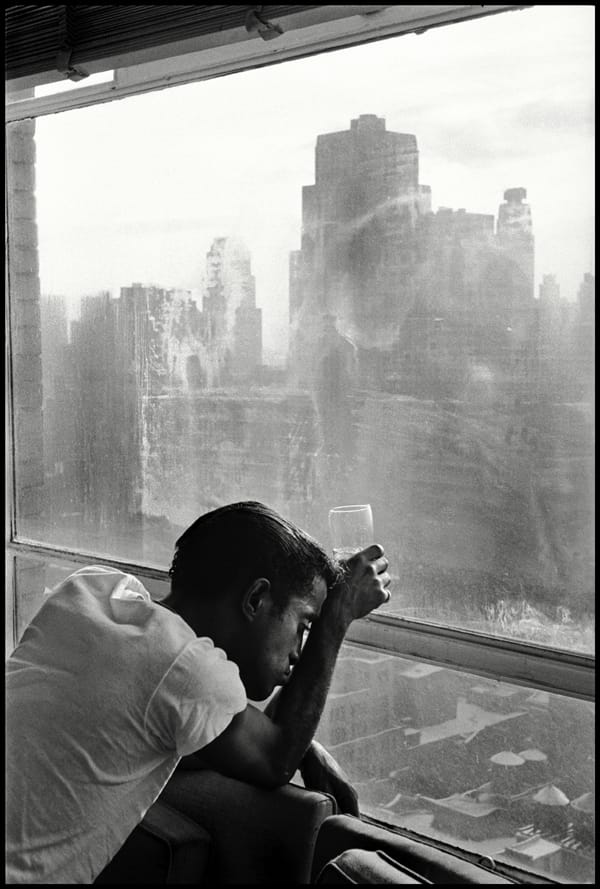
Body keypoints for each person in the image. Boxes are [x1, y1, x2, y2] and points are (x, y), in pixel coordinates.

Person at [6, 501, 391, 884]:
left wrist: (305, 744)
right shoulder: (183, 666)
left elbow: (161, 732)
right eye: (305, 624)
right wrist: (337, 618)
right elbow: (276, 758)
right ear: (256, 599)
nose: (298, 652)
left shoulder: (89, 590)